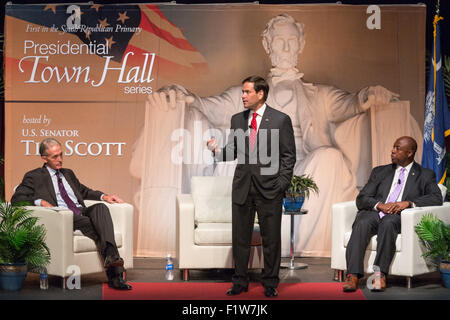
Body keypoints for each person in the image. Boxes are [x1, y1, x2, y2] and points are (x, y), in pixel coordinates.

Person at [138, 13, 422, 258]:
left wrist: (368, 94)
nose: (285, 47)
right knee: (238, 163)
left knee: (330, 158)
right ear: (267, 45)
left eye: (291, 41)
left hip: (302, 167)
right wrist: (181, 93)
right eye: (278, 41)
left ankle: (298, 249)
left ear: (301, 44)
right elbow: (207, 104)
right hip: (260, 168)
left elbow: (350, 102)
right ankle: (259, 247)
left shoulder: (318, 95)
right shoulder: (248, 95)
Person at [206, 76, 296, 297]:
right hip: (243, 187)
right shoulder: (238, 119)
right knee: (240, 239)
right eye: (242, 92)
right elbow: (233, 151)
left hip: (270, 189)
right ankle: (239, 282)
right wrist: (216, 151)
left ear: (260, 93)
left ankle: (270, 283)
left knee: (271, 240)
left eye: (247, 92)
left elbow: (288, 156)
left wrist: (281, 184)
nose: (243, 96)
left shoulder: (280, 119)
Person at [11, 138, 132, 290]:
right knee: (95, 225)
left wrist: (105, 196)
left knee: (101, 208)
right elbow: (17, 198)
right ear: (44, 158)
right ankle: (116, 275)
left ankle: (111, 257)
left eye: (61, 155)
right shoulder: (34, 176)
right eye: (55, 157)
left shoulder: (68, 173)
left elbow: (84, 191)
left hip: (80, 211)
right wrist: (39, 201)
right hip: (65, 216)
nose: (60, 160)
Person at [343, 136, 443, 292]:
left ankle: (379, 275)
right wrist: (379, 205)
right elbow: (362, 198)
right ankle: (352, 275)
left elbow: (436, 198)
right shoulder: (380, 171)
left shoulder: (425, 174)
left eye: (397, 148)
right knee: (362, 222)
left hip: (398, 216)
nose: (392, 151)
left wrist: (408, 203)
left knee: (389, 223)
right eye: (393, 147)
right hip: (376, 213)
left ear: (409, 153)